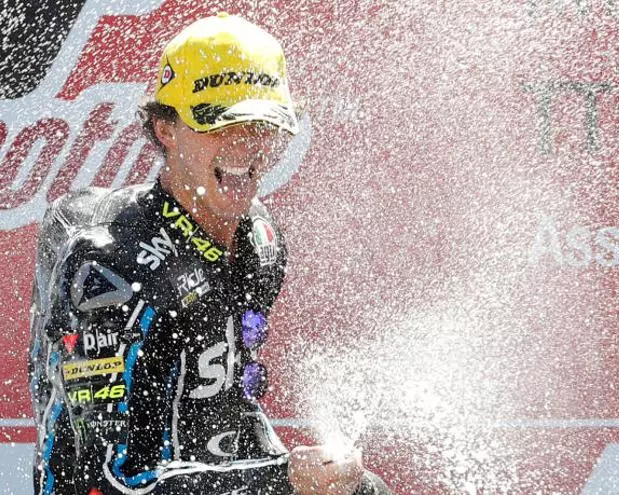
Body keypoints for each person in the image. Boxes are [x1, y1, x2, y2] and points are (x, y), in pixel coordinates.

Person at [29, 12, 391, 495]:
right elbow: (103, 484)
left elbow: (234, 406)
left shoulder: (260, 241)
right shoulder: (110, 264)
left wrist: (316, 472)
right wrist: (282, 479)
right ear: (165, 129)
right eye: (219, 124)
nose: (245, 146)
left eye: (263, 125)